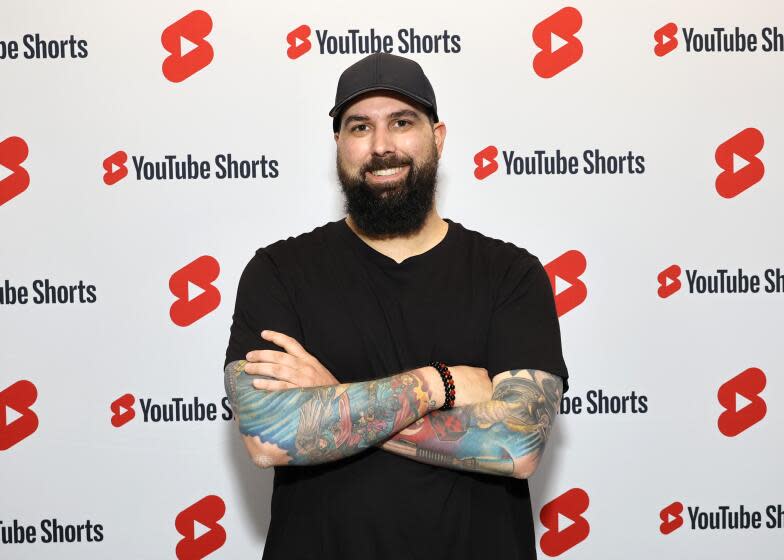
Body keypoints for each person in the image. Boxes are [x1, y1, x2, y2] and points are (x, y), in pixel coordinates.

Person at [224, 52, 569, 560]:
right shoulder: (278, 271)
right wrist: (439, 384)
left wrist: (332, 400)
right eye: (360, 127)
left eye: (402, 123)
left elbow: (517, 447)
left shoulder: (509, 274)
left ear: (439, 136)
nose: (381, 146)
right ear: (339, 144)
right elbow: (269, 438)